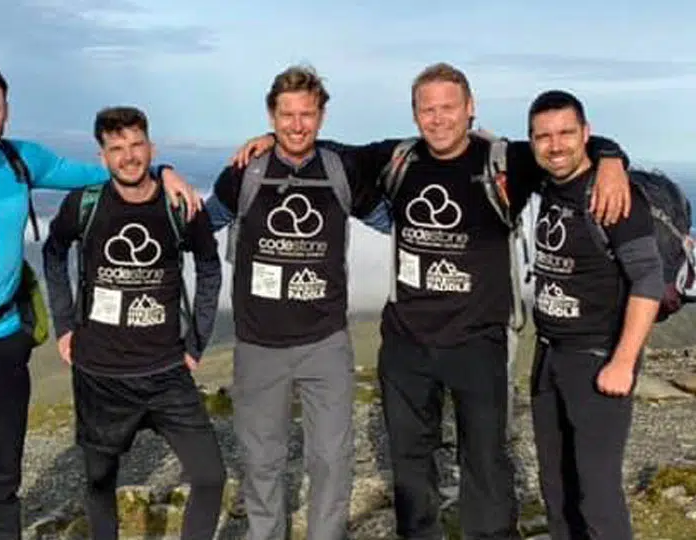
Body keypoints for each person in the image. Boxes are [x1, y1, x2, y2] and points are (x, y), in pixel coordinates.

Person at [230, 62, 632, 539]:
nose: (438, 119)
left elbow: (564, 148)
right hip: (406, 342)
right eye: (427, 109)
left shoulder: (506, 161)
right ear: (415, 114)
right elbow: (313, 145)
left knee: (484, 458)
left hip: (479, 339)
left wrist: (612, 158)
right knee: (410, 462)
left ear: (470, 108)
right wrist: (269, 137)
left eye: (448, 107)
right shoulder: (397, 158)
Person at [0, 63, 201, 540]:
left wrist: (161, 170)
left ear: (6, 112)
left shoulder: (21, 160)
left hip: (7, 346)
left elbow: (103, 170)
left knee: (1, 480)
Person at [204, 65, 392, 540]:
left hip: (325, 341)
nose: (296, 125)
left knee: (331, 458)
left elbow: (395, 221)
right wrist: (163, 181)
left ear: (322, 115)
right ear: (272, 115)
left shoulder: (339, 170)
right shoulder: (245, 173)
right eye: (287, 115)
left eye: (306, 114)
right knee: (261, 459)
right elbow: (199, 227)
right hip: (258, 343)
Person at [42, 105, 225, 540]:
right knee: (100, 480)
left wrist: (196, 342)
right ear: (102, 156)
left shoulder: (180, 205)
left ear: (151, 148)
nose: (128, 156)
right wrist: (65, 325)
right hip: (100, 372)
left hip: (166, 370)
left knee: (210, 476)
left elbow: (209, 267)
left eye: (136, 145)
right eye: (116, 148)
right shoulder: (83, 205)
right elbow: (53, 253)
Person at [527, 90, 661, 540]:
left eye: (567, 132)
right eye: (543, 136)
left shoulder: (614, 196)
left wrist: (623, 362)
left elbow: (648, 280)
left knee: (598, 494)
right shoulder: (549, 183)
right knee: (557, 488)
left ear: (586, 133)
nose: (556, 144)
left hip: (598, 358)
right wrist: (609, 154)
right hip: (549, 355)